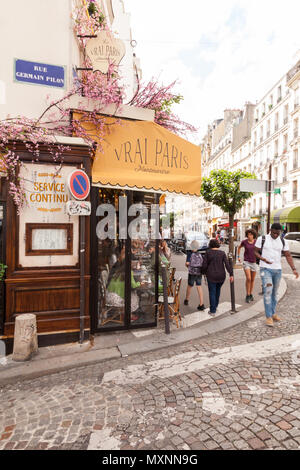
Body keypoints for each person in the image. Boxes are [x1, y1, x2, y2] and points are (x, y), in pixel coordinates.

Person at [254, 223, 299, 327]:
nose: (275, 235)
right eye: (274, 233)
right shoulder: (262, 239)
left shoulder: (282, 241)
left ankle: (273, 313)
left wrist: (293, 269)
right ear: (270, 230)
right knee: (268, 292)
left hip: (277, 270)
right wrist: (262, 259)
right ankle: (268, 317)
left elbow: (288, 255)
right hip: (265, 269)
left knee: (274, 294)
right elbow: (255, 252)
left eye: (278, 233)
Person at [201, 238, 234, 316]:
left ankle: (212, 310)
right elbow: (227, 265)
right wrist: (231, 274)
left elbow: (204, 265)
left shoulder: (208, 253)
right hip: (221, 276)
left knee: (212, 292)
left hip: (211, 275)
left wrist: (203, 272)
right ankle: (215, 306)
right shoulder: (222, 253)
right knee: (217, 291)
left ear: (210, 245)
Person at [238, 229, 258, 303]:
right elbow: (239, 247)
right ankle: (247, 294)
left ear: (253, 235)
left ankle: (250, 294)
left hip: (254, 262)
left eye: (251, 234)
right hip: (246, 262)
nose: (249, 236)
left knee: (252, 280)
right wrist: (238, 257)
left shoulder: (256, 242)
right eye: (248, 234)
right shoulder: (244, 242)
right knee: (248, 278)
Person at [184, 240, 205, 311]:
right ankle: (201, 304)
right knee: (199, 286)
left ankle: (186, 299)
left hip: (192, 273)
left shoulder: (189, 253)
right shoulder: (200, 253)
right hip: (199, 272)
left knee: (190, 285)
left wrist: (189, 267)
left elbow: (187, 263)